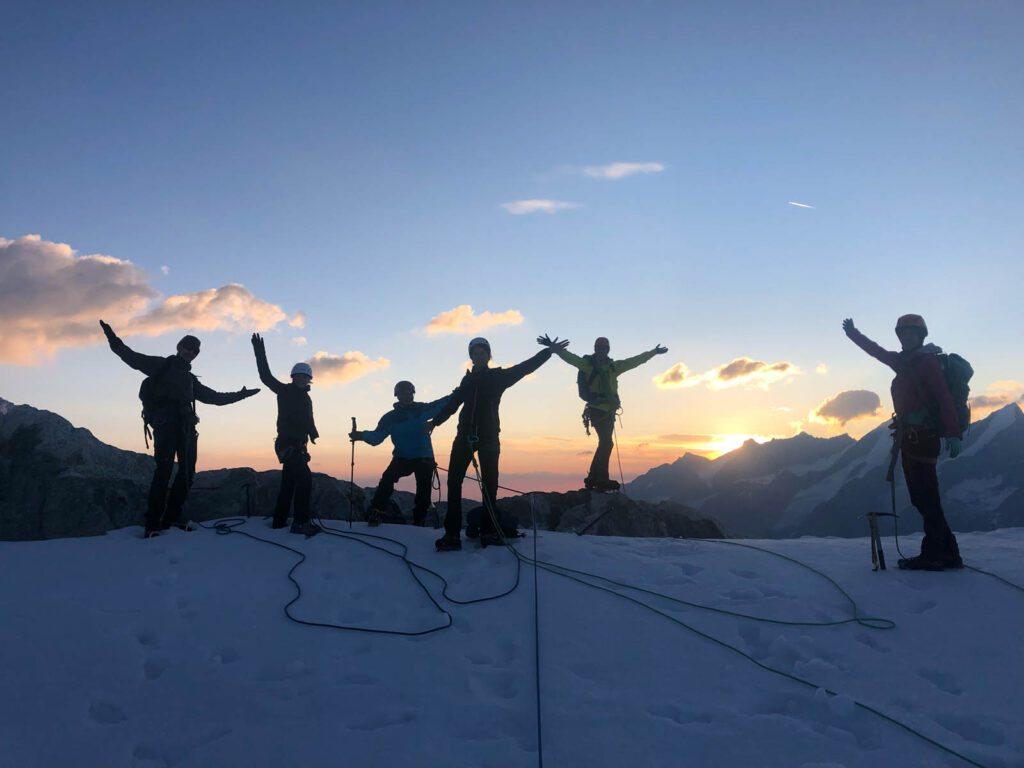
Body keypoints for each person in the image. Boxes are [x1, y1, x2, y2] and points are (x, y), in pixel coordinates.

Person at [99, 320, 259, 538]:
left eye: (195, 351)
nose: (190, 352)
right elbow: (131, 357)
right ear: (179, 347)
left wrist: (241, 395)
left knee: (187, 473)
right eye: (187, 348)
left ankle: (172, 517)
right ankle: (152, 523)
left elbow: (214, 397)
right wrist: (112, 338)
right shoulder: (161, 365)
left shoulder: (191, 380)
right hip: (166, 426)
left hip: (187, 429)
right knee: (163, 472)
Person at [843, 315, 963, 570]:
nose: (906, 337)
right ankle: (949, 553)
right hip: (910, 438)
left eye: (911, 333)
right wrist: (854, 334)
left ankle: (933, 555)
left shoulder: (927, 363)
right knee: (923, 498)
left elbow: (944, 398)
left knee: (926, 498)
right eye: (903, 333)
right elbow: (876, 351)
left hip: (923, 438)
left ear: (921, 336)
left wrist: (953, 432)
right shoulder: (903, 361)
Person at [431, 334, 568, 551]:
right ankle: (452, 534)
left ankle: (488, 531)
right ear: (472, 357)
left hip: (488, 438)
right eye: (475, 353)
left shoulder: (498, 377)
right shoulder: (467, 381)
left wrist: (548, 352)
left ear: (488, 355)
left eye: (482, 352)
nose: (478, 356)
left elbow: (524, 368)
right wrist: (434, 423)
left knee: (489, 485)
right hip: (465, 437)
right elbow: (453, 404)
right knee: (454, 483)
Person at [549, 336, 667, 491]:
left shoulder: (613, 367)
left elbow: (634, 361)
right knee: (606, 443)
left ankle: (594, 477)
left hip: (609, 411)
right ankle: (600, 478)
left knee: (605, 443)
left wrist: (653, 352)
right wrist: (555, 349)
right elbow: (571, 358)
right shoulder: (588, 365)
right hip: (596, 409)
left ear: (607, 349)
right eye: (600, 348)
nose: (602, 350)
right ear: (595, 349)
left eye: (604, 348)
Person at [349, 381, 451, 527]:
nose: (407, 396)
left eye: (409, 393)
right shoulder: (390, 417)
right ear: (397, 396)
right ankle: (377, 511)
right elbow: (377, 438)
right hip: (404, 456)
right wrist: (362, 435)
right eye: (403, 393)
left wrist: (458, 392)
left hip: (421, 456)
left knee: (423, 488)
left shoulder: (421, 409)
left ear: (413, 394)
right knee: (388, 479)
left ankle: (419, 518)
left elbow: (442, 403)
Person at [251, 333, 320, 536]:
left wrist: (313, 434)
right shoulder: (284, 391)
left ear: (309, 380)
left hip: (297, 445)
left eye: (305, 377)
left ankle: (279, 522)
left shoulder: (306, 398)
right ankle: (300, 523)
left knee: (288, 484)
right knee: (305, 480)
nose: (302, 379)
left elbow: (308, 418)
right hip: (287, 444)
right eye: (299, 376)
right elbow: (265, 376)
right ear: (293, 377)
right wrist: (259, 351)